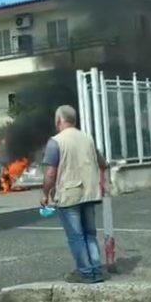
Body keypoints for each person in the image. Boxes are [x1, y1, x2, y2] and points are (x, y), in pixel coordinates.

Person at [41, 104, 108, 284]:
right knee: (90, 234)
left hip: (69, 195)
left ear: (58, 121)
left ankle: (85, 273)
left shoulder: (56, 141)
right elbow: (102, 163)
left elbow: (50, 173)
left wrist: (45, 193)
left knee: (76, 236)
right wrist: (100, 181)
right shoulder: (88, 139)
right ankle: (96, 270)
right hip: (90, 193)